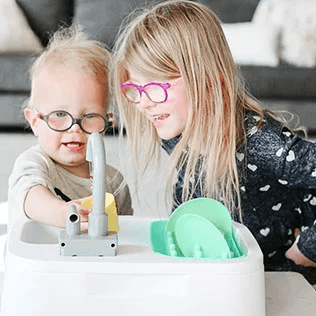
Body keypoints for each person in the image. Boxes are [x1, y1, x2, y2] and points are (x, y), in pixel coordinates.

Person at [111, 0, 316, 284]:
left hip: (282, 284)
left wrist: (305, 251)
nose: (144, 103)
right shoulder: (177, 128)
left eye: (156, 87)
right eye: (135, 89)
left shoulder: (261, 144)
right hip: (228, 278)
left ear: (207, 82)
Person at [8, 26, 133, 232]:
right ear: (34, 121)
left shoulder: (113, 181)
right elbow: (30, 194)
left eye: (90, 116)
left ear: (107, 122)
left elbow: (125, 231)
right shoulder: (36, 163)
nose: (75, 129)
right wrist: (61, 213)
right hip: (40, 260)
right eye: (59, 115)